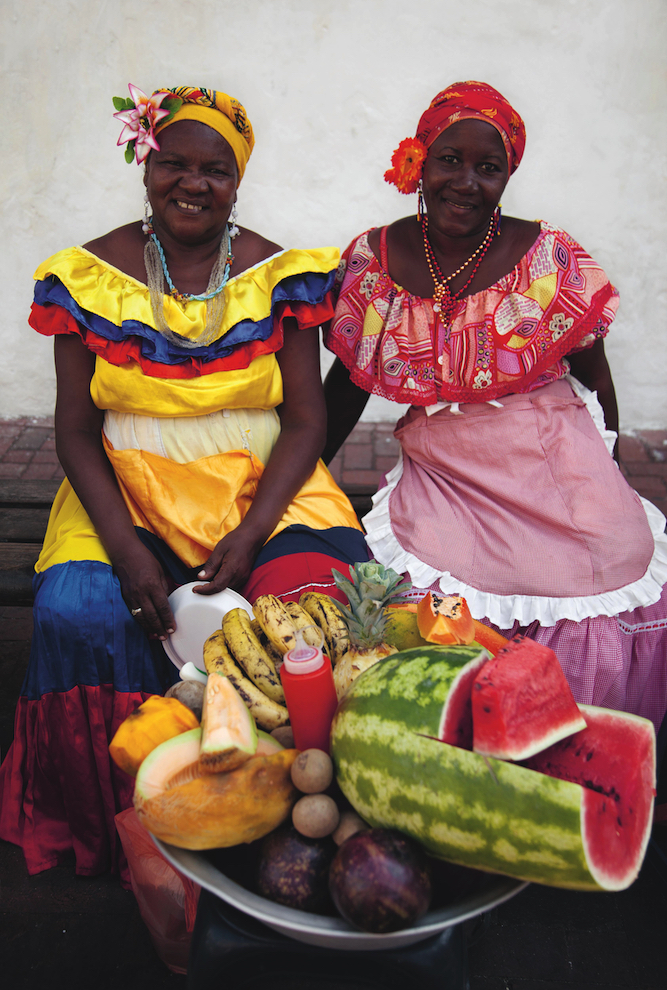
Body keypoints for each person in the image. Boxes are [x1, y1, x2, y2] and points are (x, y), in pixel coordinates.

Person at [0, 84, 368, 879]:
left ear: (238, 181)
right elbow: (72, 428)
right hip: (124, 480)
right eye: (173, 162)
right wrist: (127, 548)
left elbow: (306, 420)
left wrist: (253, 530)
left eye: (216, 169)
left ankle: (289, 818)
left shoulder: (282, 277)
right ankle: (121, 820)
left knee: (319, 605)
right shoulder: (84, 277)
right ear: (145, 162)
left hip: (261, 482)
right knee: (78, 612)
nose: (192, 184)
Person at [323, 81, 667, 734]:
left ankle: (583, 740)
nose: (466, 182)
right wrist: (296, 477)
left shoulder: (548, 258)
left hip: (549, 440)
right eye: (449, 159)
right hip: (448, 459)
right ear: (418, 160)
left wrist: (612, 466)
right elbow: (347, 382)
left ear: (507, 176)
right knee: (439, 580)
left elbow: (592, 371)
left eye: (489, 168)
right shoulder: (378, 261)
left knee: (611, 559)